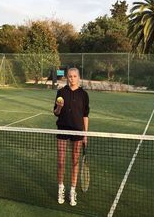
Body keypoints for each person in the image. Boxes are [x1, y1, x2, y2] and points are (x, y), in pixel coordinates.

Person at [53, 68, 89, 206]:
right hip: (62, 128)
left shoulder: (84, 94)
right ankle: (61, 188)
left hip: (78, 131)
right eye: (69, 76)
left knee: (75, 161)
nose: (72, 78)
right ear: (67, 77)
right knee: (61, 161)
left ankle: (72, 190)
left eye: (74, 76)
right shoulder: (61, 92)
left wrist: (85, 134)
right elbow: (56, 113)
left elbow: (85, 116)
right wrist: (59, 107)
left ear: (78, 77)